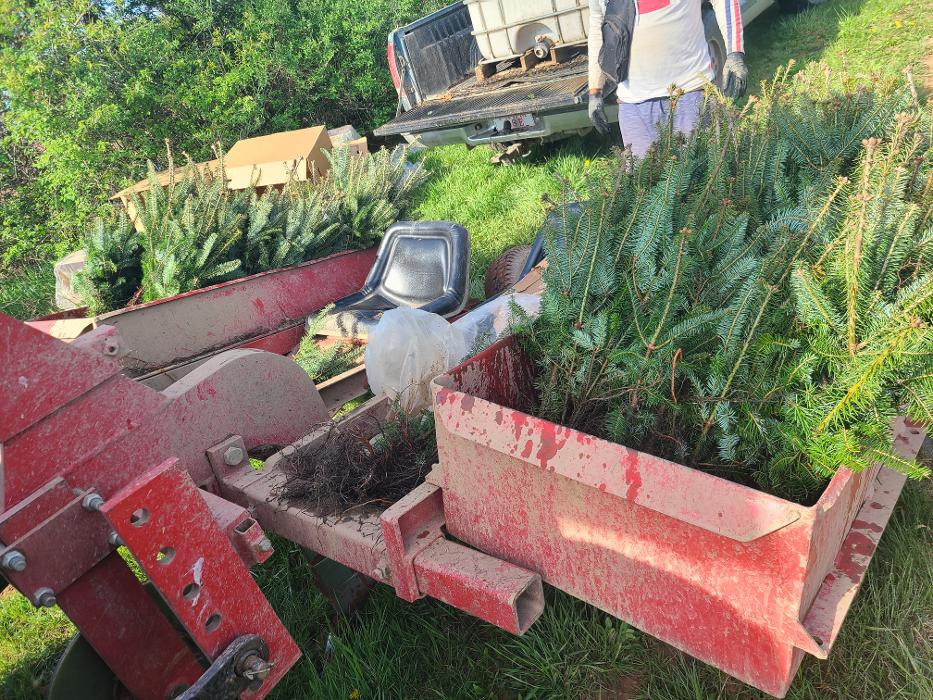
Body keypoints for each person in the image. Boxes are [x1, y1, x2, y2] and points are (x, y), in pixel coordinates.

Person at [587, 0, 748, 157]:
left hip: (691, 94)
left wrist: (735, 54)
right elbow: (597, 24)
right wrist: (595, 90)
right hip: (634, 106)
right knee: (645, 181)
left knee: (704, 177)